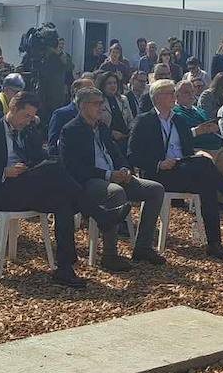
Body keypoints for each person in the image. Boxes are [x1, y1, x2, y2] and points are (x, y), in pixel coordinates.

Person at [129, 79, 223, 259]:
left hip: (181, 168)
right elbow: (132, 155)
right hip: (159, 173)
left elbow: (187, 147)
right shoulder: (144, 121)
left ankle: (215, 244)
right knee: (204, 165)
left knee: (207, 184)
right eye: (170, 93)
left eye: (174, 92)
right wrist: (158, 163)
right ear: (157, 97)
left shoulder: (178, 120)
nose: (174, 97)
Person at [0, 92, 87, 288]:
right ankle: (89, 205)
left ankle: (64, 267)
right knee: (53, 167)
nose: (29, 121)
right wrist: (4, 172)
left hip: (26, 187)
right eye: (26, 116)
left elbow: (38, 159)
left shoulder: (28, 131)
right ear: (13, 109)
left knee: (62, 202)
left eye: (32, 117)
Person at [60, 87, 167, 271]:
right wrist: (108, 175)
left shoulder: (101, 127)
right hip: (90, 182)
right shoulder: (71, 131)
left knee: (155, 189)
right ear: (83, 106)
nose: (101, 107)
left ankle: (142, 247)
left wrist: (124, 169)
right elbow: (75, 168)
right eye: (97, 104)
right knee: (115, 193)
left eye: (102, 103)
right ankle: (110, 255)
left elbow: (116, 153)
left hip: (115, 175)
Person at [173, 79, 223, 198]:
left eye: (192, 92)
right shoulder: (175, 112)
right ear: (177, 95)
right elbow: (178, 135)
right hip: (196, 149)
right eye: (186, 92)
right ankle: (205, 202)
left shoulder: (199, 111)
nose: (191, 95)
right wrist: (197, 131)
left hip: (217, 146)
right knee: (207, 164)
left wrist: (214, 127)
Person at [47, 78, 97, 154]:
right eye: (88, 89)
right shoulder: (61, 114)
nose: (92, 93)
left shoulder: (97, 113)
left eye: (93, 89)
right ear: (76, 90)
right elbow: (53, 146)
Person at [96, 71, 133, 146]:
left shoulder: (123, 99)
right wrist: (110, 132)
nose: (113, 86)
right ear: (103, 85)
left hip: (126, 136)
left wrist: (131, 130)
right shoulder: (98, 101)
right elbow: (97, 124)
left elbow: (130, 119)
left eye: (115, 83)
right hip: (109, 139)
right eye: (109, 83)